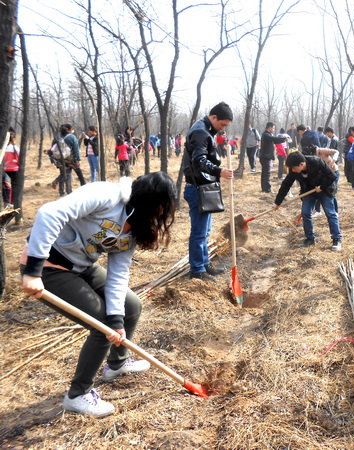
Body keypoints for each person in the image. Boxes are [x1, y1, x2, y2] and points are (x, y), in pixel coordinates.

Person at [20, 171, 177, 417]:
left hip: (83, 265)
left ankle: (116, 364)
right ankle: (77, 395)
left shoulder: (136, 225)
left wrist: (117, 320)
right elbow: (49, 213)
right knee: (102, 326)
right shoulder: (105, 195)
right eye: (163, 209)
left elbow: (118, 273)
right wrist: (33, 271)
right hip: (49, 266)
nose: (162, 216)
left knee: (131, 306)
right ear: (152, 203)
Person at [182, 101, 234, 281]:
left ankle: (204, 263)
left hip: (205, 187)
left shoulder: (206, 129)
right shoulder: (200, 132)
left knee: (205, 231)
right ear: (213, 117)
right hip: (198, 189)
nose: (223, 129)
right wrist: (219, 171)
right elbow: (199, 161)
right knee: (199, 232)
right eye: (222, 125)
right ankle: (197, 270)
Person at [273, 151, 342, 250]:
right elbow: (286, 184)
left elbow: (332, 176)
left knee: (330, 213)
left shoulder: (317, 162)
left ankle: (336, 239)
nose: (292, 170)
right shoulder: (294, 170)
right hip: (308, 191)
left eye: (294, 168)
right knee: (305, 212)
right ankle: (310, 238)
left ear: (301, 164)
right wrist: (277, 202)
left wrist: (322, 187)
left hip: (325, 189)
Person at [259, 122, 287, 193]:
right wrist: (283, 139)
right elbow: (274, 139)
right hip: (265, 157)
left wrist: (282, 140)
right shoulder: (266, 135)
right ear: (270, 127)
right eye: (273, 128)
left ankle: (264, 188)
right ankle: (267, 189)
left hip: (266, 157)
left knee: (265, 173)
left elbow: (275, 141)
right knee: (266, 173)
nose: (274, 129)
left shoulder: (268, 135)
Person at [3, 130, 19, 206]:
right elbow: (19, 159)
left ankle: (7, 201)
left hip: (4, 169)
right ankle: (13, 201)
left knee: (5, 185)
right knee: (14, 186)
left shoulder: (3, 148)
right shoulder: (15, 148)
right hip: (14, 169)